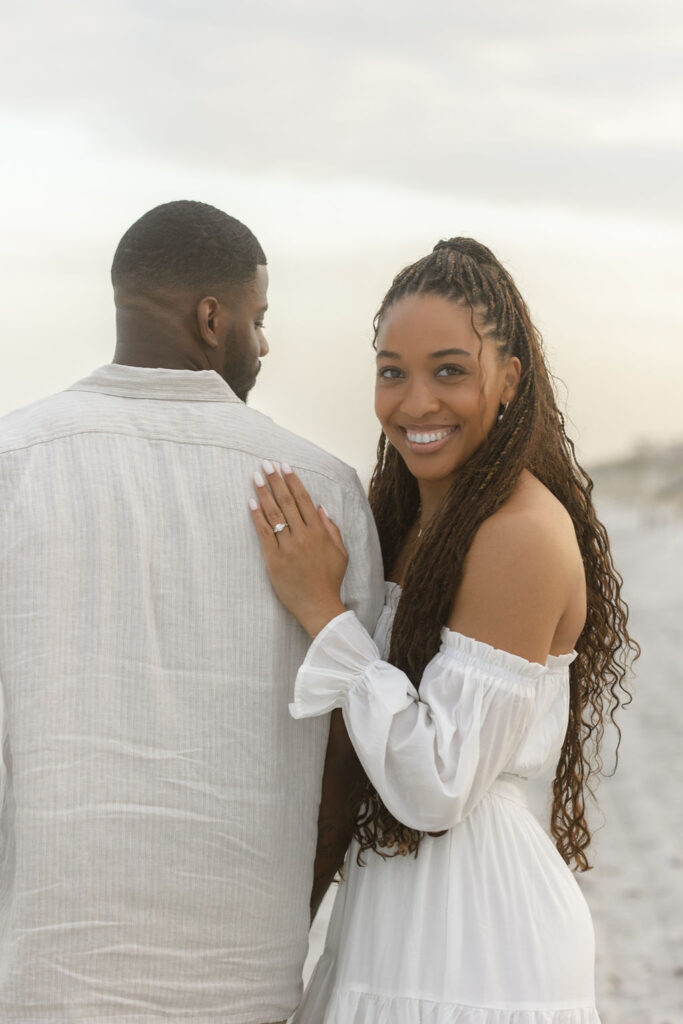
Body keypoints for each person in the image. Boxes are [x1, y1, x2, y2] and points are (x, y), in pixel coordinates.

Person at [0, 200, 384, 1023]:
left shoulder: (15, 464)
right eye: (259, 317)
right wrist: (292, 908)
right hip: (244, 973)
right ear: (212, 319)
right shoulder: (320, 491)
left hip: (47, 972)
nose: (265, 342)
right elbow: (349, 752)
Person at [249, 237, 638, 1023]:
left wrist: (323, 611)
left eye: (449, 370)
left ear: (508, 380)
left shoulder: (518, 533)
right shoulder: (406, 519)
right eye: (392, 371)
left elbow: (433, 784)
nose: (414, 401)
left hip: (479, 944)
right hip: (386, 918)